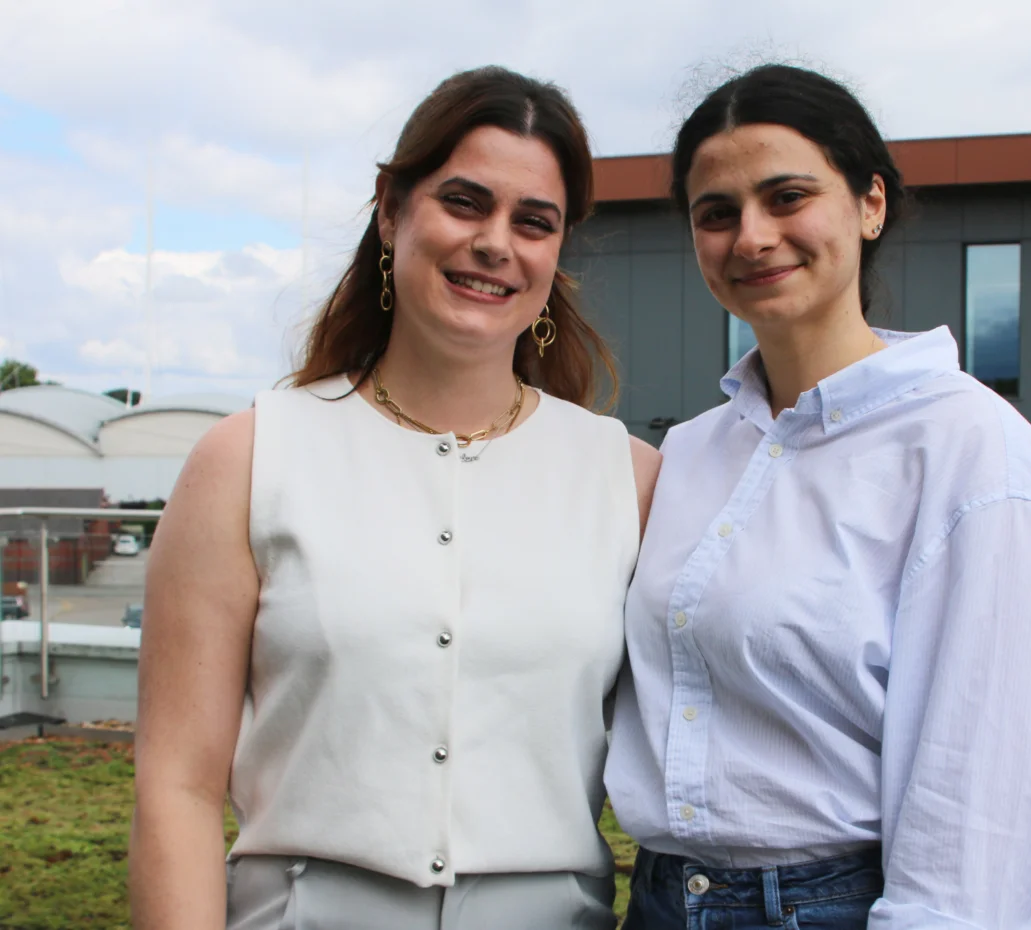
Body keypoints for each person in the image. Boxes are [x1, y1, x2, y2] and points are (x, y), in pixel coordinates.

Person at [129, 66, 661, 930]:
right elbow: (178, 787)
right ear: (390, 207)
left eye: (535, 222)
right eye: (464, 202)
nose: (497, 243)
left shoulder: (628, 478)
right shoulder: (248, 458)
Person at [605, 64, 1031, 930]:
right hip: (661, 900)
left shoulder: (972, 451)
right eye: (717, 213)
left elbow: (980, 796)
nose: (751, 236)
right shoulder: (694, 451)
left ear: (870, 204)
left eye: (787, 197)